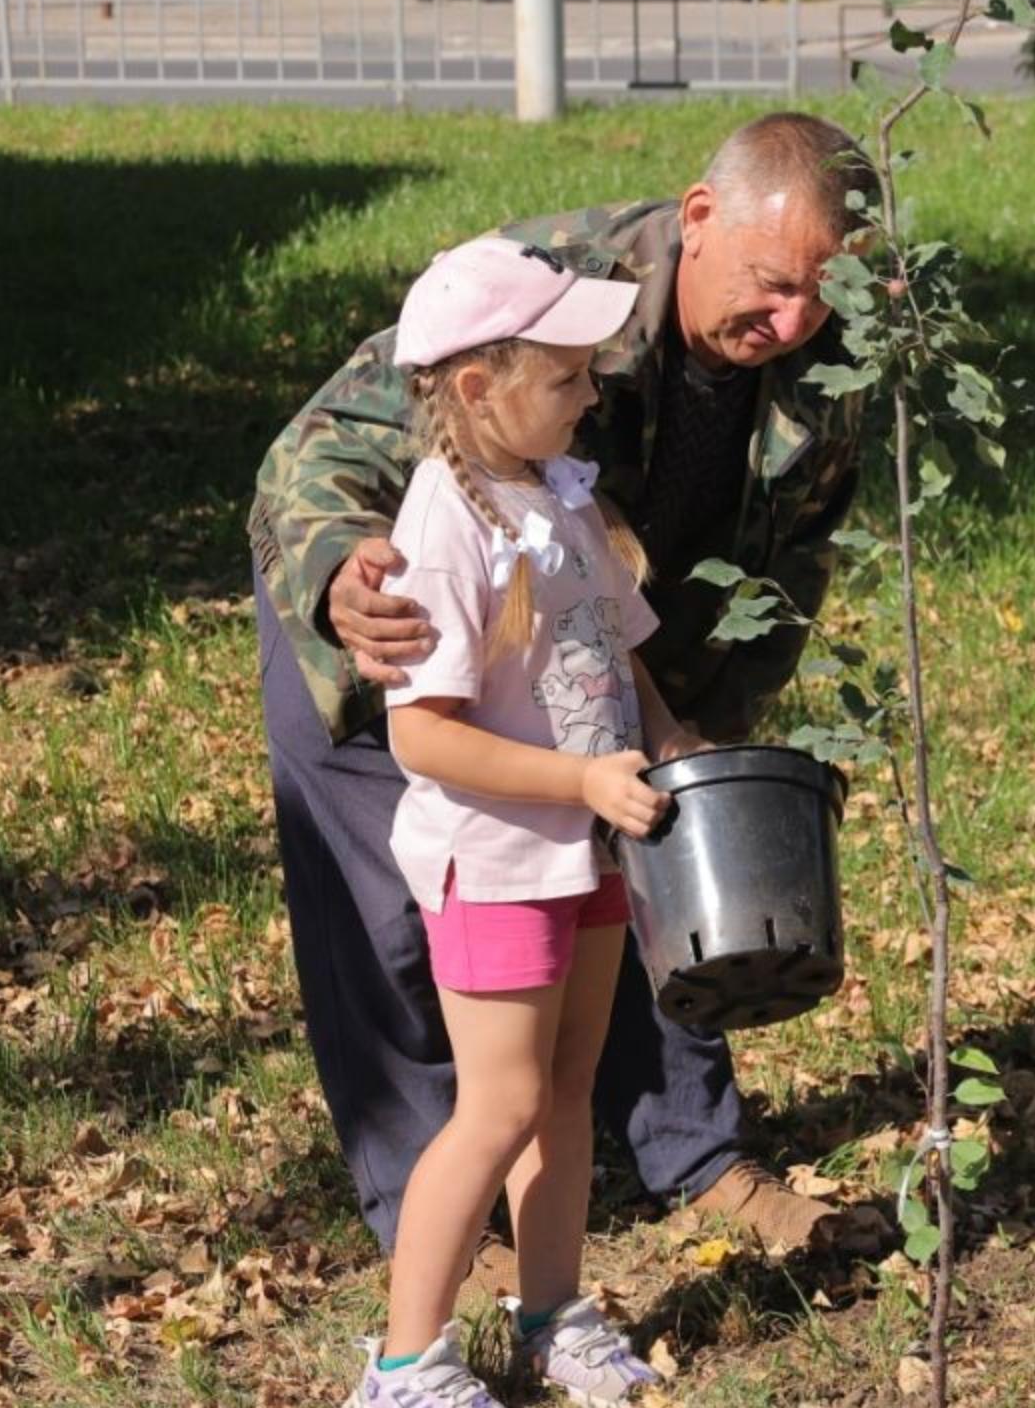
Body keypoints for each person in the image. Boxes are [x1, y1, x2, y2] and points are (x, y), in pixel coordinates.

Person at [250, 113, 874, 1262]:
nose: (795, 323)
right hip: (398, 611)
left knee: (651, 861)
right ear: (699, 218)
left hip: (595, 632)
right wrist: (342, 569)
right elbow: (323, 443)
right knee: (399, 914)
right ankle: (435, 1207)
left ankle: (694, 1150)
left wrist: (693, 745)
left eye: (823, 296)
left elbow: (796, 555)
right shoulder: (548, 298)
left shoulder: (825, 358)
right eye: (774, 283)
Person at [341, 238, 678, 1408]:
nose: (593, 393)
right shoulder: (445, 525)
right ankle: (403, 1359)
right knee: (494, 1104)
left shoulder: (562, 491)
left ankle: (550, 1310)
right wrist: (578, 777)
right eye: (570, 373)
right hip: (493, 861)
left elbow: (616, 650)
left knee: (568, 1087)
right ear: (479, 387)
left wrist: (669, 744)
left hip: (582, 852)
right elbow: (426, 734)